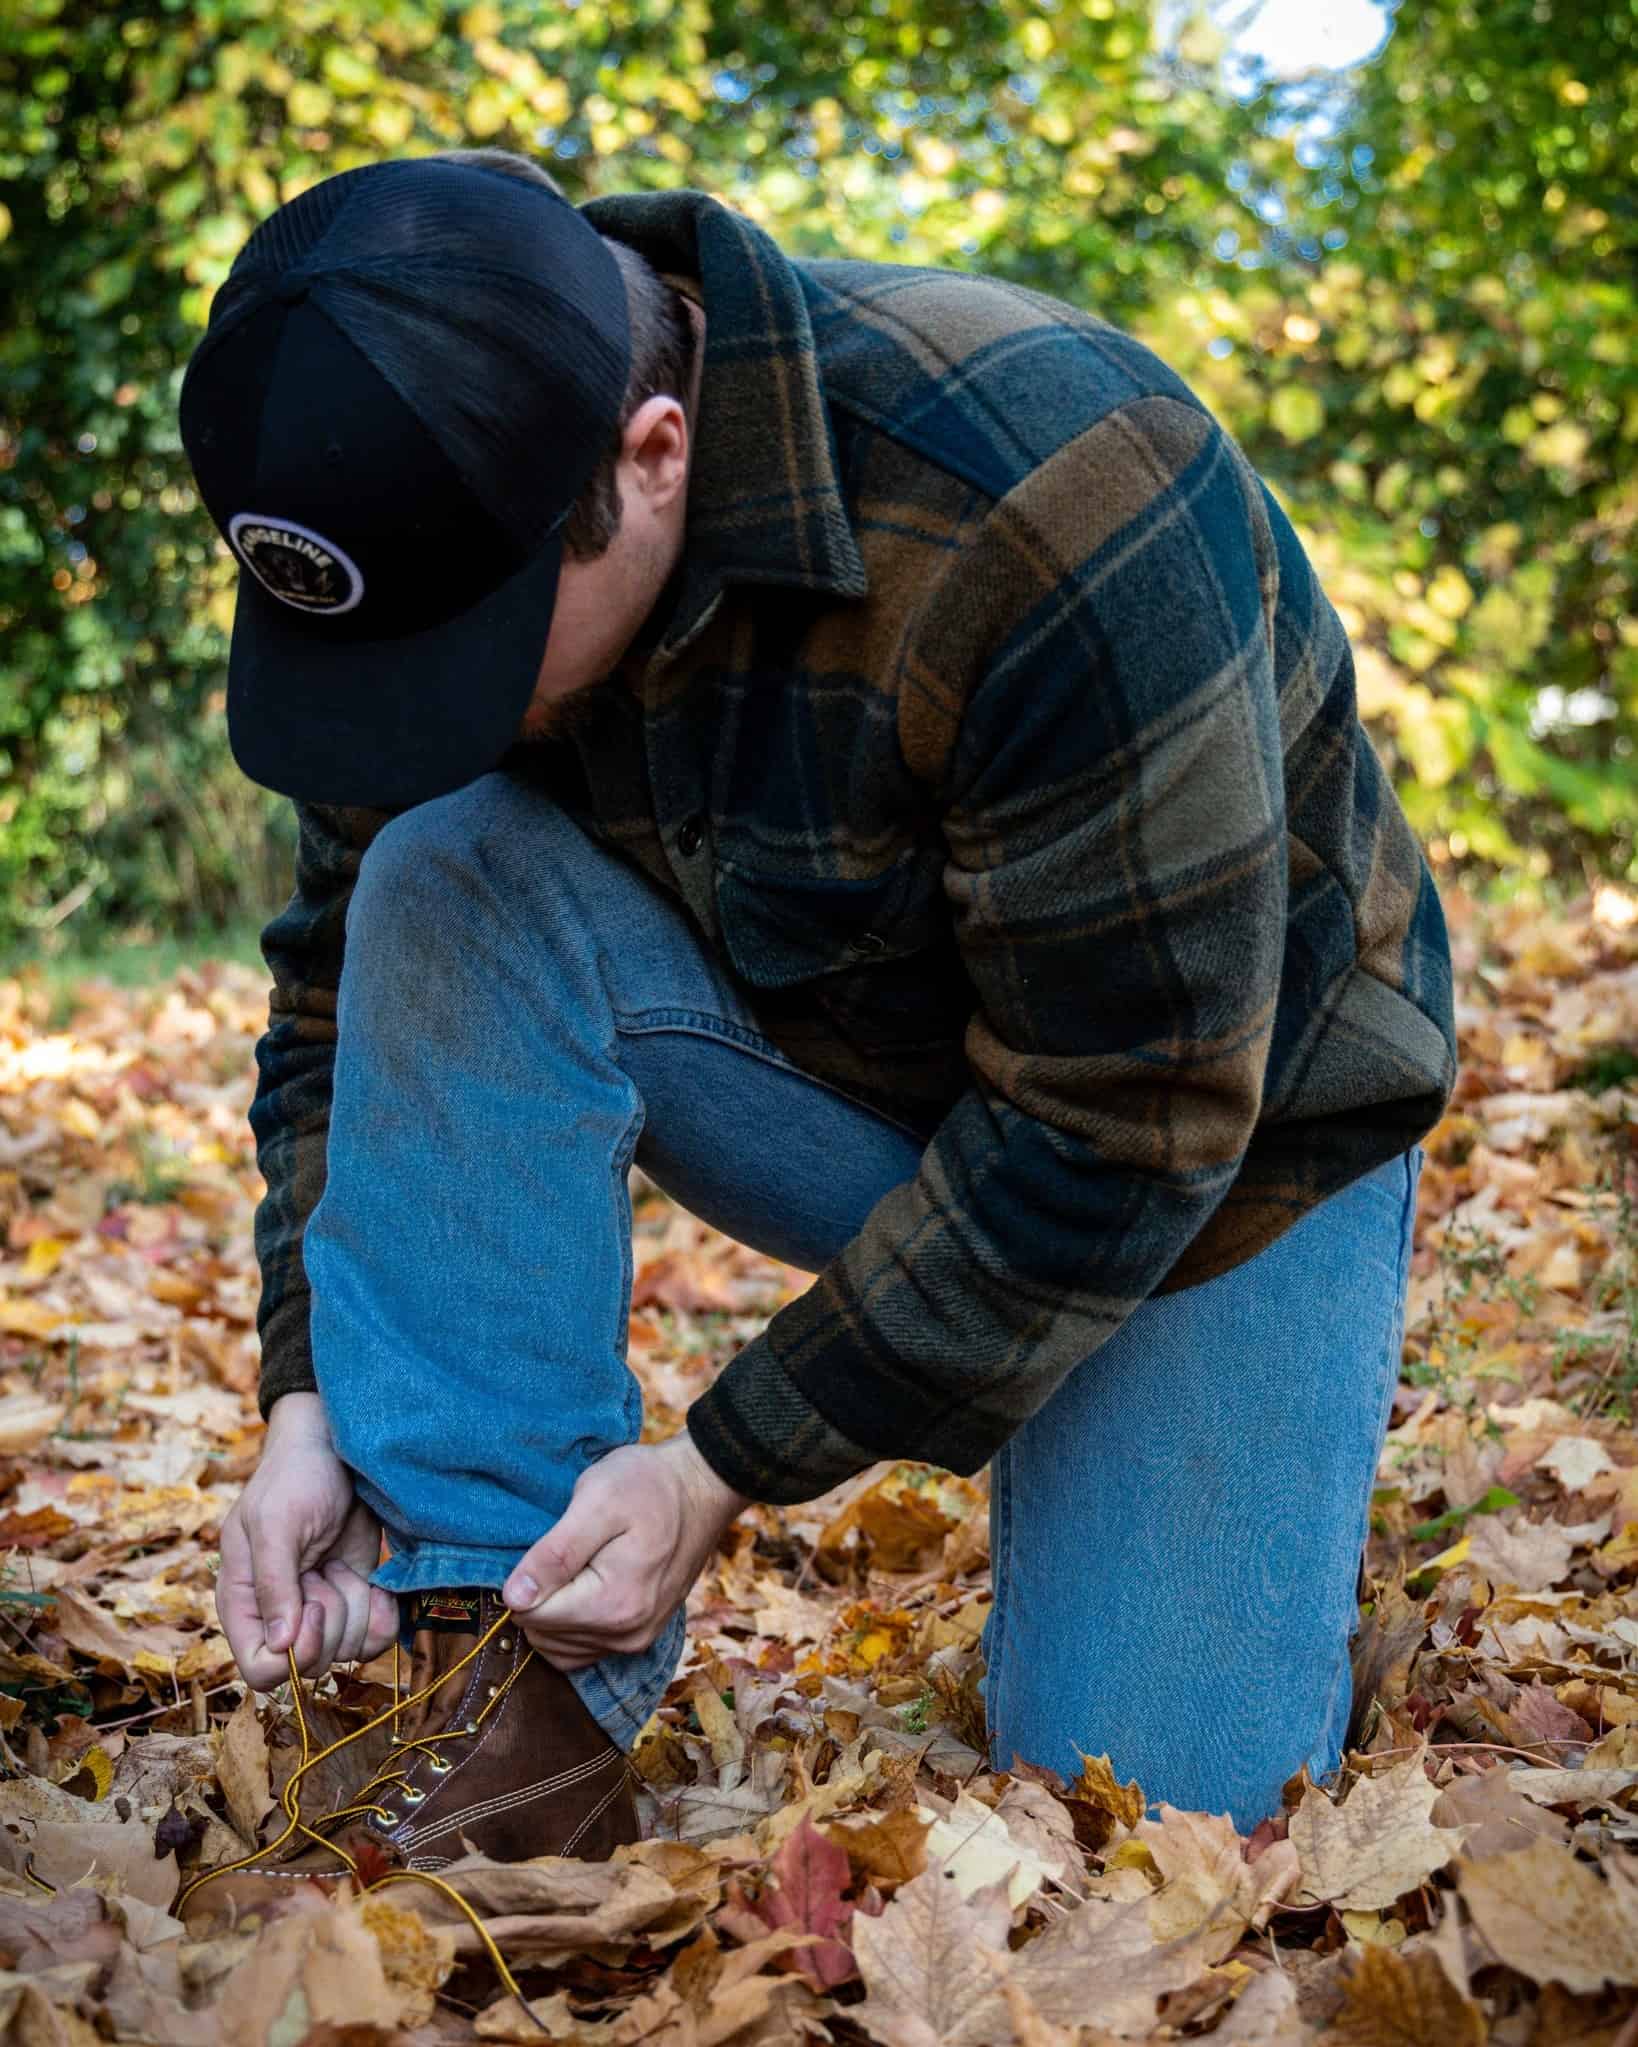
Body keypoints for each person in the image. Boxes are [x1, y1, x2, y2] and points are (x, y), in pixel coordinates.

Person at [175, 147, 1455, 1894]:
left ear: (651, 455)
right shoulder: (428, 520)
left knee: (1160, 1825)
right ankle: (493, 1660)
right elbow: (335, 987)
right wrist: (308, 1395)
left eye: (473, 649)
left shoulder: (1049, 489)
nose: (434, 699)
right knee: (435, 864)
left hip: (1215, 1166)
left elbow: (1125, 1120)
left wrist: (714, 1470)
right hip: (836, 1086)